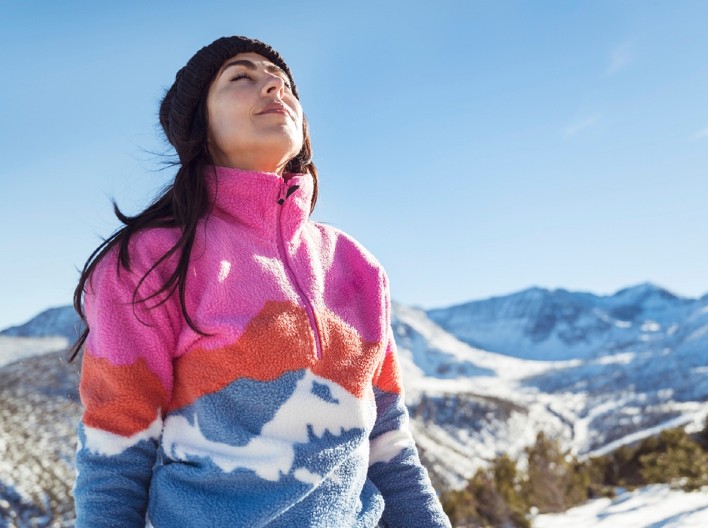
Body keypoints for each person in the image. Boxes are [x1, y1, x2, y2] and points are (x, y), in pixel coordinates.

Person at [71, 35, 451, 527]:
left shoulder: (355, 266)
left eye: (285, 83)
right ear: (200, 129)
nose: (274, 84)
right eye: (242, 77)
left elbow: (389, 444)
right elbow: (116, 444)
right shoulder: (148, 261)